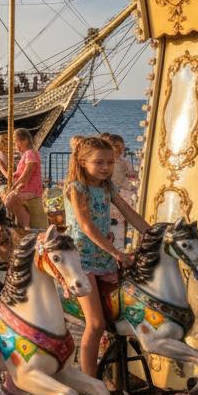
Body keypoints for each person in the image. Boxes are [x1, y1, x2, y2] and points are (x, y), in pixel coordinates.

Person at [64, 136, 151, 375]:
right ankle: (89, 381)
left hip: (103, 258)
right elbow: (86, 225)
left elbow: (128, 211)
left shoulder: (107, 187)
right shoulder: (77, 187)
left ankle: (113, 371)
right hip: (82, 260)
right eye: (99, 162)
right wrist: (116, 252)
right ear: (82, 163)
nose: (106, 168)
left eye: (110, 163)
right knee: (96, 323)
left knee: (119, 314)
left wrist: (153, 233)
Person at [1, 128, 42, 229]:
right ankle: (19, 222)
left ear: (25, 141)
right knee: (4, 197)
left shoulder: (30, 153)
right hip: (25, 187)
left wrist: (14, 187)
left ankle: (25, 224)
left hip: (30, 188)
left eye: (16, 143)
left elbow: (26, 175)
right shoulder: (28, 154)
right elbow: (16, 175)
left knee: (9, 200)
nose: (15, 147)